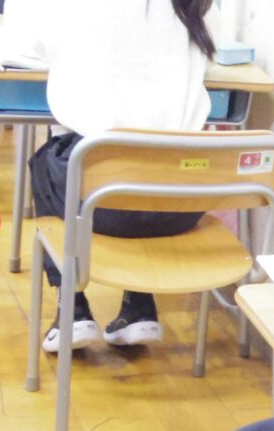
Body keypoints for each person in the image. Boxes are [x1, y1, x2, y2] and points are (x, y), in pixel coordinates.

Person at [16, 0, 216, 352]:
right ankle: (140, 306)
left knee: (49, 162)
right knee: (145, 162)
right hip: (179, 206)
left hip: (102, 205)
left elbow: (33, 46)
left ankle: (73, 310)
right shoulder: (193, 4)